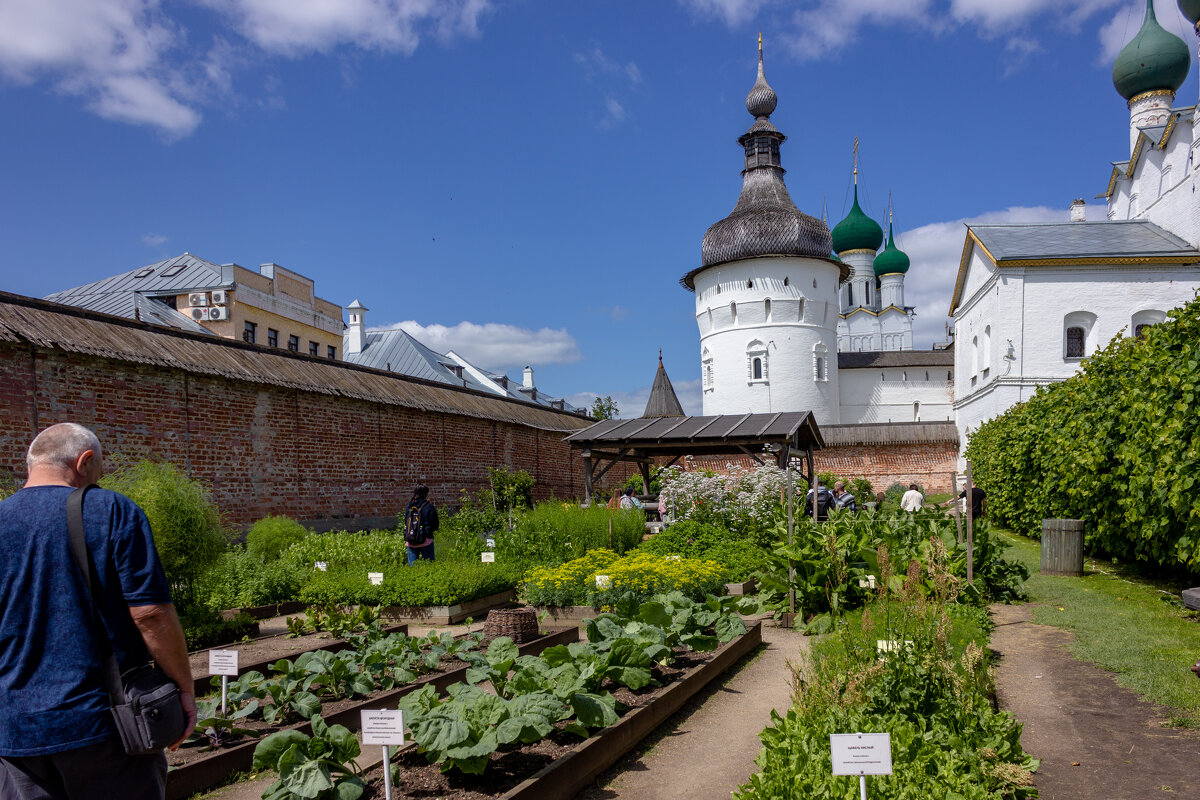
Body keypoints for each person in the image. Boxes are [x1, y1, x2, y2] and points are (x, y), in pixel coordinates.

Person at [0, 423, 195, 800]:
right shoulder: (111, 510)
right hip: (104, 728)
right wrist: (184, 689)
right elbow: (151, 614)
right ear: (84, 461)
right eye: (99, 471)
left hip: (16, 733)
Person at [403, 485, 439, 564]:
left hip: (411, 539)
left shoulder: (409, 506)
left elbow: (406, 521)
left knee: (413, 567)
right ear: (425, 494)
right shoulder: (428, 506)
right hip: (426, 539)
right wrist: (429, 531)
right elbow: (435, 523)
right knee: (430, 565)